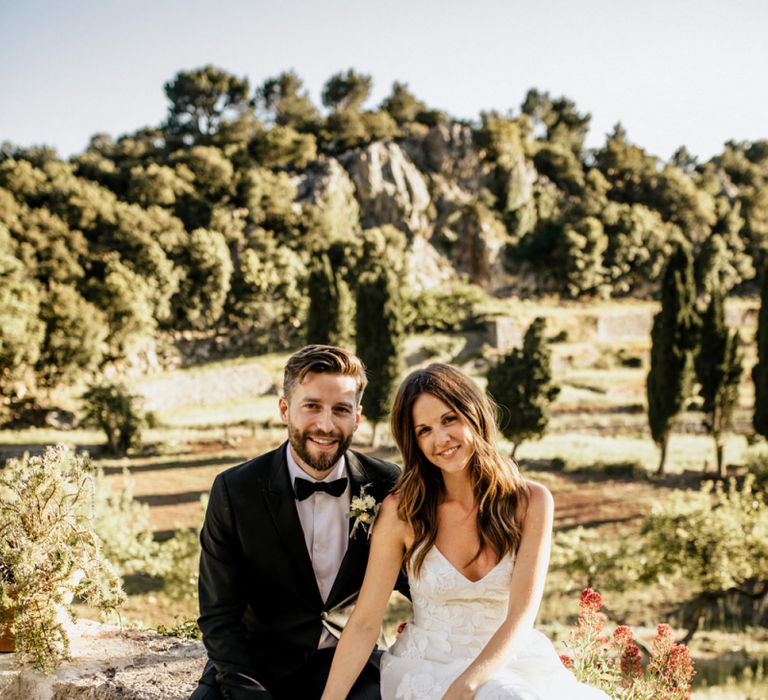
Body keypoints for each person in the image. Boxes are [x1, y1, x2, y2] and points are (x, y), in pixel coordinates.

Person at [321, 363, 608, 699]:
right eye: (424, 430)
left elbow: (521, 614)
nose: (440, 439)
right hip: (429, 667)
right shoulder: (402, 512)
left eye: (449, 419)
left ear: (473, 415)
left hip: (513, 662)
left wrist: (467, 687)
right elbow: (365, 623)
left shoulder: (532, 502)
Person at [190, 345, 406, 700]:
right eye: (312, 406)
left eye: (340, 410)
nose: (325, 424)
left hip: (350, 664)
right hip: (254, 665)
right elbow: (219, 617)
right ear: (284, 409)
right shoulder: (235, 490)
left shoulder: (386, 484)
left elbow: (416, 577)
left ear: (357, 417)